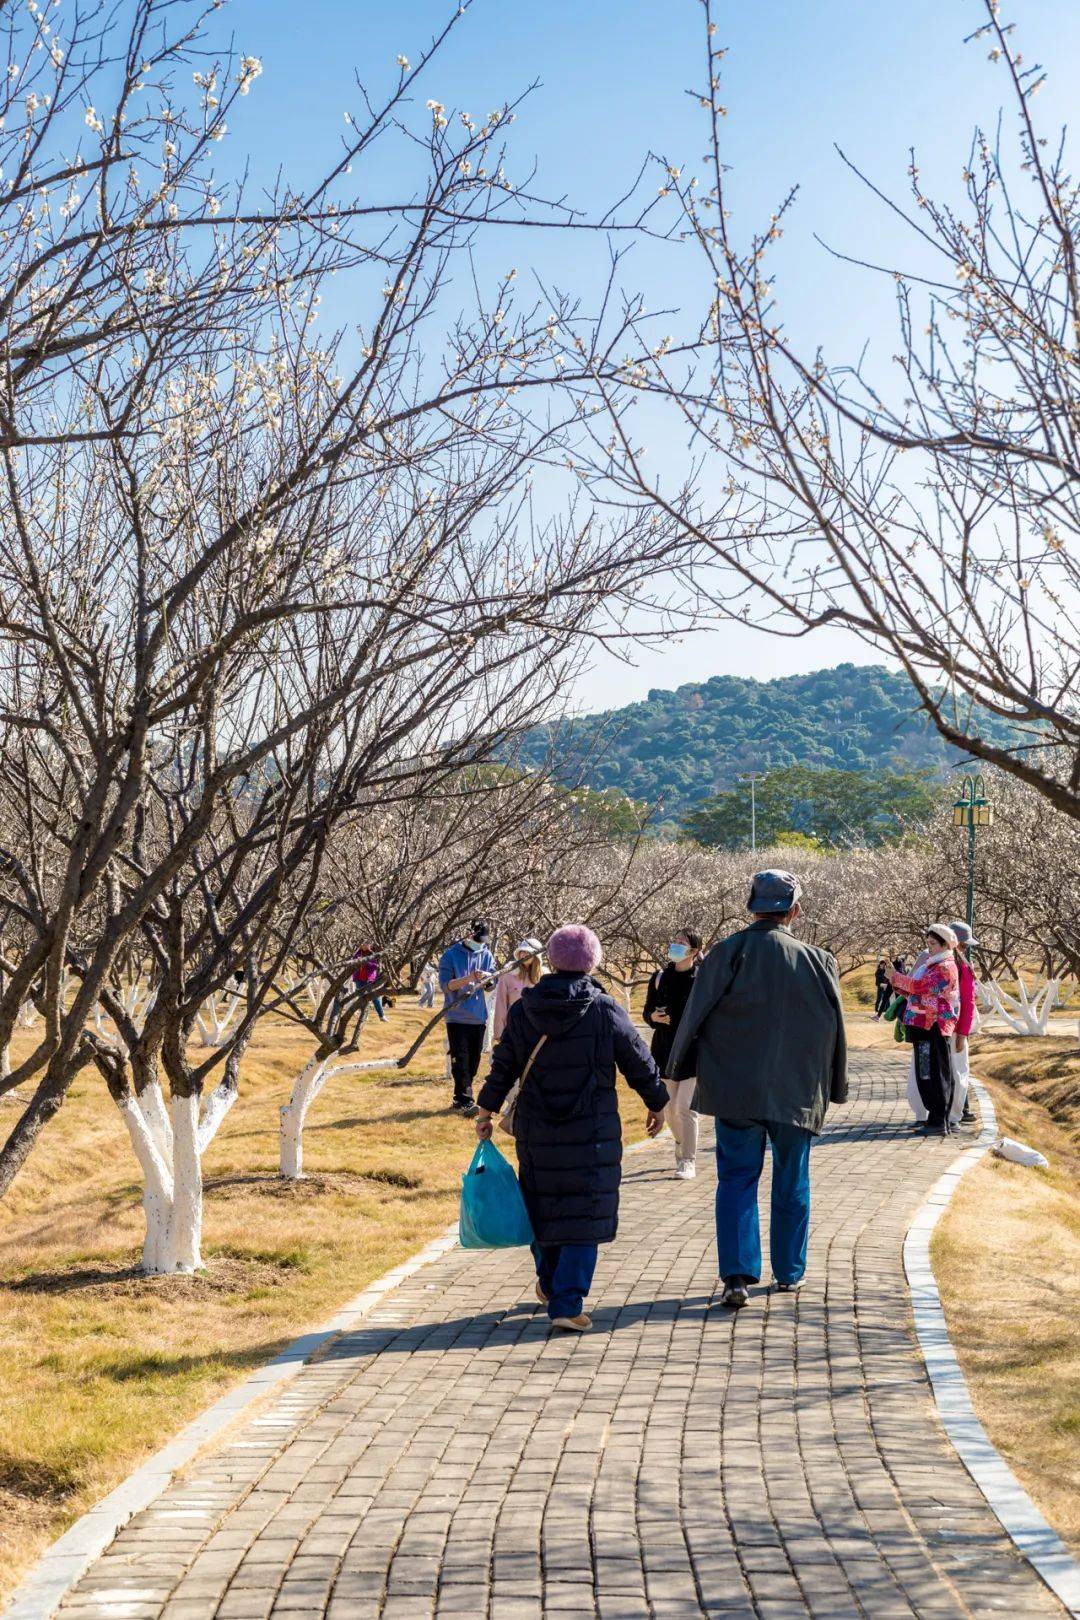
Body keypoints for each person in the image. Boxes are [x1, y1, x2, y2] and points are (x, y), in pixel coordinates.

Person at [667, 869, 847, 1310]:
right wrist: (835, 1086)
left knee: (736, 1180)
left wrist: (675, 1069)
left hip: (734, 1088)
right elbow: (837, 1029)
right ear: (796, 909)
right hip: (798, 1091)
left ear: (751, 908)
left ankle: (737, 1277)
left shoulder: (726, 953)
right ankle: (789, 1272)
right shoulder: (819, 960)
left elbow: (693, 1017)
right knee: (792, 1177)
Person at [475, 923, 668, 1332]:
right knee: (585, 1215)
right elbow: (638, 1060)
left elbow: (504, 1063)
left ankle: (549, 1282)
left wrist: (487, 1109)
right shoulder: (605, 1009)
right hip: (592, 1134)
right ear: (593, 961)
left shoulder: (527, 1008)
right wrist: (657, 1104)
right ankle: (566, 1301)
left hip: (538, 1133)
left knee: (542, 1206)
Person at [643, 928, 703, 1179]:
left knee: (684, 1107)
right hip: (665, 1049)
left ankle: (688, 1160)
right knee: (668, 1109)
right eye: (674, 941)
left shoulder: (702, 979)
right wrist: (653, 1018)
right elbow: (647, 1012)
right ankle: (681, 1143)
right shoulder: (659, 978)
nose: (675, 946)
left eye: (682, 943)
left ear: (694, 951)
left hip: (692, 1050)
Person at [889, 923, 960, 1136]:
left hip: (934, 1026)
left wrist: (897, 977)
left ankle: (940, 1119)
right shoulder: (932, 964)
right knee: (926, 1071)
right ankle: (934, 1117)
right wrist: (894, 980)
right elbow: (916, 993)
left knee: (936, 1072)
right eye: (928, 943)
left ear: (945, 944)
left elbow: (922, 988)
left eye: (933, 944)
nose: (929, 948)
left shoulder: (946, 966)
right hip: (922, 1025)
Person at [439, 920, 496, 1117]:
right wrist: (469, 978)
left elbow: (492, 981)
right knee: (460, 1059)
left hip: (479, 1016)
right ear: (468, 936)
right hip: (456, 1016)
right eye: (478, 940)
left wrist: (488, 980)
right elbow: (446, 986)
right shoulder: (450, 955)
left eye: (483, 941)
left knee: (474, 1060)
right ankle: (465, 1100)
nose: (481, 944)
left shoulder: (486, 954)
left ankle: (461, 1095)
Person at [949, 919, 980, 1124]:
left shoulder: (960, 966)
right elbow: (968, 1002)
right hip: (953, 1027)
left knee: (956, 1069)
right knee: (957, 1069)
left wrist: (962, 1033)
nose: (965, 948)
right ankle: (961, 1109)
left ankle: (960, 1109)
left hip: (953, 1027)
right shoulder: (957, 966)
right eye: (964, 944)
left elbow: (967, 1002)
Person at [493, 938, 544, 1040]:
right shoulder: (508, 974)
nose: (523, 954)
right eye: (522, 951)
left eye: (528, 952)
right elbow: (501, 1004)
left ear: (536, 956)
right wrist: (499, 1032)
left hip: (534, 1030)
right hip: (511, 1029)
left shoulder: (544, 977)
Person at [351, 945, 386, 1021]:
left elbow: (376, 966)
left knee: (374, 997)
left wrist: (365, 962)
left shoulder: (373, 953)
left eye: (366, 944)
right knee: (362, 998)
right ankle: (364, 1015)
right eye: (363, 944)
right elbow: (353, 960)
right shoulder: (358, 953)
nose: (364, 946)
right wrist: (358, 959)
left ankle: (381, 1015)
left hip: (369, 979)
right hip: (359, 979)